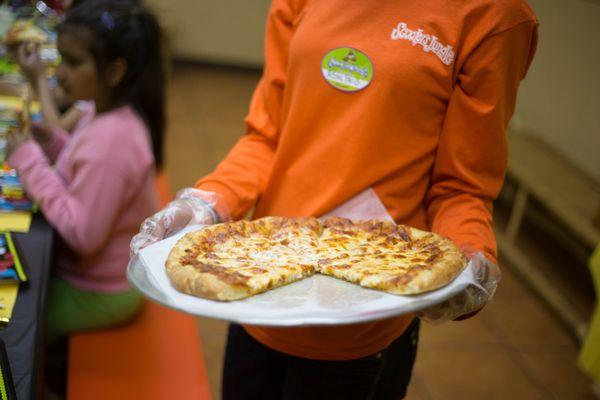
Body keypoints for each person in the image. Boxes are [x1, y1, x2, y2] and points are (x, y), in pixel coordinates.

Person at [132, 0, 539, 398]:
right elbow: (267, 137)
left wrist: (470, 254)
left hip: (371, 300)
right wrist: (210, 200)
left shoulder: (494, 15)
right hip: (258, 276)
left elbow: (461, 185)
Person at [6, 0, 165, 392]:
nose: (59, 73)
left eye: (71, 62)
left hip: (104, 291)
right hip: (99, 277)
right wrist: (56, 143)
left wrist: (28, 162)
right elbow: (82, 172)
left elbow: (83, 234)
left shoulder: (112, 143)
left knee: (15, 325)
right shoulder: (105, 113)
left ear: (113, 71)